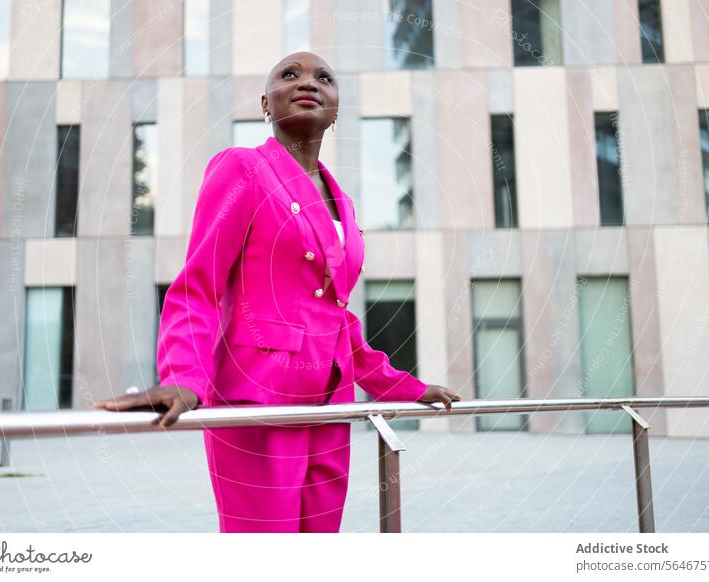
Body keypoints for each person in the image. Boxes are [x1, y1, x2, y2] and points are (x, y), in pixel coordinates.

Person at [93, 51, 461, 532]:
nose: (308, 81)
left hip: (331, 408)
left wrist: (403, 388)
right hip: (260, 402)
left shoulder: (343, 203)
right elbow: (197, 285)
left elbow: (338, 321)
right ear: (266, 103)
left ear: (336, 108)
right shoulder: (242, 169)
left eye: (323, 77)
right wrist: (185, 374)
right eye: (290, 75)